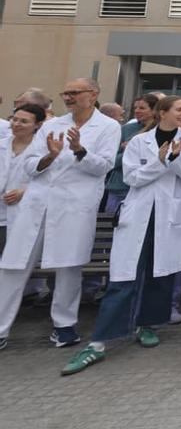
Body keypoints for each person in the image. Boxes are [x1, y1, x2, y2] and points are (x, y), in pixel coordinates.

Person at [61, 96, 181, 374]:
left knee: (160, 275)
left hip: (169, 217)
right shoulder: (139, 141)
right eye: (180, 109)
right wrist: (160, 162)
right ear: (163, 113)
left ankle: (147, 324)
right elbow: (132, 178)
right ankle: (99, 342)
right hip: (139, 215)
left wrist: (171, 159)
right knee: (123, 278)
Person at [0, 78, 121, 349]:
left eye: (74, 93)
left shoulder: (108, 126)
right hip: (38, 202)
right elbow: (30, 164)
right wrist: (50, 157)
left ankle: (64, 326)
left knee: (69, 267)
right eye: (65, 93)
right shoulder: (53, 125)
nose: (68, 97)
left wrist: (79, 150)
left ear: (92, 95)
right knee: (13, 265)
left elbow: (103, 166)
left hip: (75, 206)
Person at [1, 104, 45, 259]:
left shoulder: (44, 150)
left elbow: (51, 181)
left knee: (16, 262)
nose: (16, 124)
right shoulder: (2, 144)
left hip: (22, 214)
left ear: (38, 125)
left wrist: (25, 191)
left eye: (24, 121)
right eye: (14, 119)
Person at [106, 94, 159, 215]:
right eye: (135, 108)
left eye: (142, 108)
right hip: (119, 187)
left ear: (154, 110)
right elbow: (112, 161)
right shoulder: (126, 129)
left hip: (147, 187)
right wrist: (128, 150)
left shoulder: (161, 131)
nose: (137, 111)